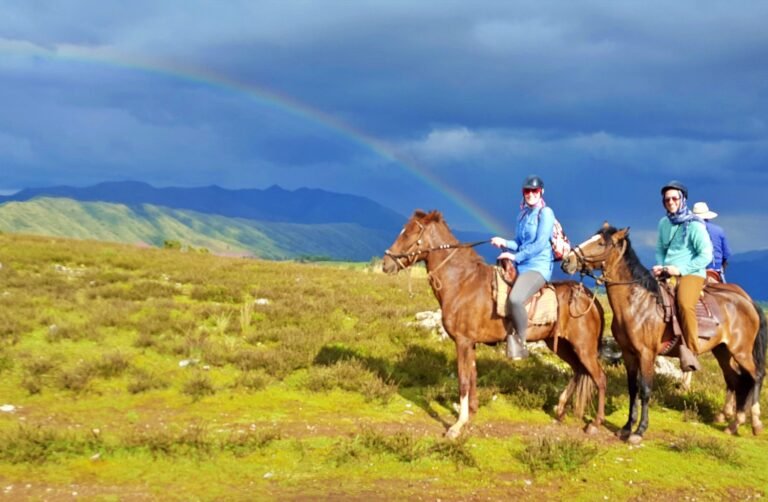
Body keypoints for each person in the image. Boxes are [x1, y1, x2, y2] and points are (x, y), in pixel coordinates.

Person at [490, 174, 555, 359]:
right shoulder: (522, 215)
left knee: (516, 299)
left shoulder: (546, 213)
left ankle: (521, 341)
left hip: (538, 267)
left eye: (534, 191)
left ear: (541, 192)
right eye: (527, 191)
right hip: (522, 264)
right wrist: (503, 242)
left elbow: (540, 243)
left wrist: (515, 257)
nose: (531, 194)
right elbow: (520, 242)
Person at [652, 181, 713, 372]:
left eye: (674, 198)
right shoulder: (664, 223)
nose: (670, 202)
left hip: (692, 273)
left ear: (682, 199)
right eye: (667, 199)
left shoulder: (694, 225)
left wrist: (681, 270)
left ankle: (692, 349)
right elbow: (660, 248)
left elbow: (706, 254)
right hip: (666, 272)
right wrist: (661, 265)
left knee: (685, 304)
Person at [692, 201, 732, 283]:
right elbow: (726, 254)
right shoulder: (719, 230)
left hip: (696, 272)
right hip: (716, 271)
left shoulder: (690, 231)